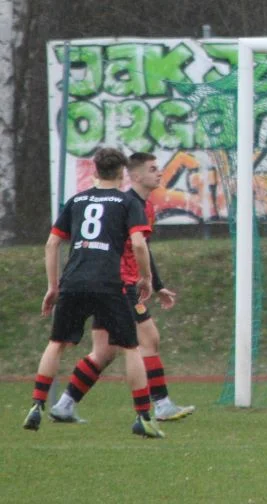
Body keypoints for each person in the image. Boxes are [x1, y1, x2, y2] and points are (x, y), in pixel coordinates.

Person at [25, 147, 164, 438]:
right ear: (121, 173)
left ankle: (37, 405)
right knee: (130, 348)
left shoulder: (76, 200)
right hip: (111, 283)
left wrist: (53, 286)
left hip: (74, 281)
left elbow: (52, 244)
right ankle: (143, 416)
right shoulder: (127, 202)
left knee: (56, 343)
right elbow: (139, 245)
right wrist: (147, 278)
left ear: (95, 170)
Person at [47, 152, 195, 424]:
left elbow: (143, 250)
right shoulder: (126, 203)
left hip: (106, 284)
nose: (159, 173)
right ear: (134, 175)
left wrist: (157, 285)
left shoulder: (141, 206)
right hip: (117, 285)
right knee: (148, 339)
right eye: (153, 169)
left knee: (104, 352)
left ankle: (65, 404)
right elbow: (133, 247)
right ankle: (161, 404)